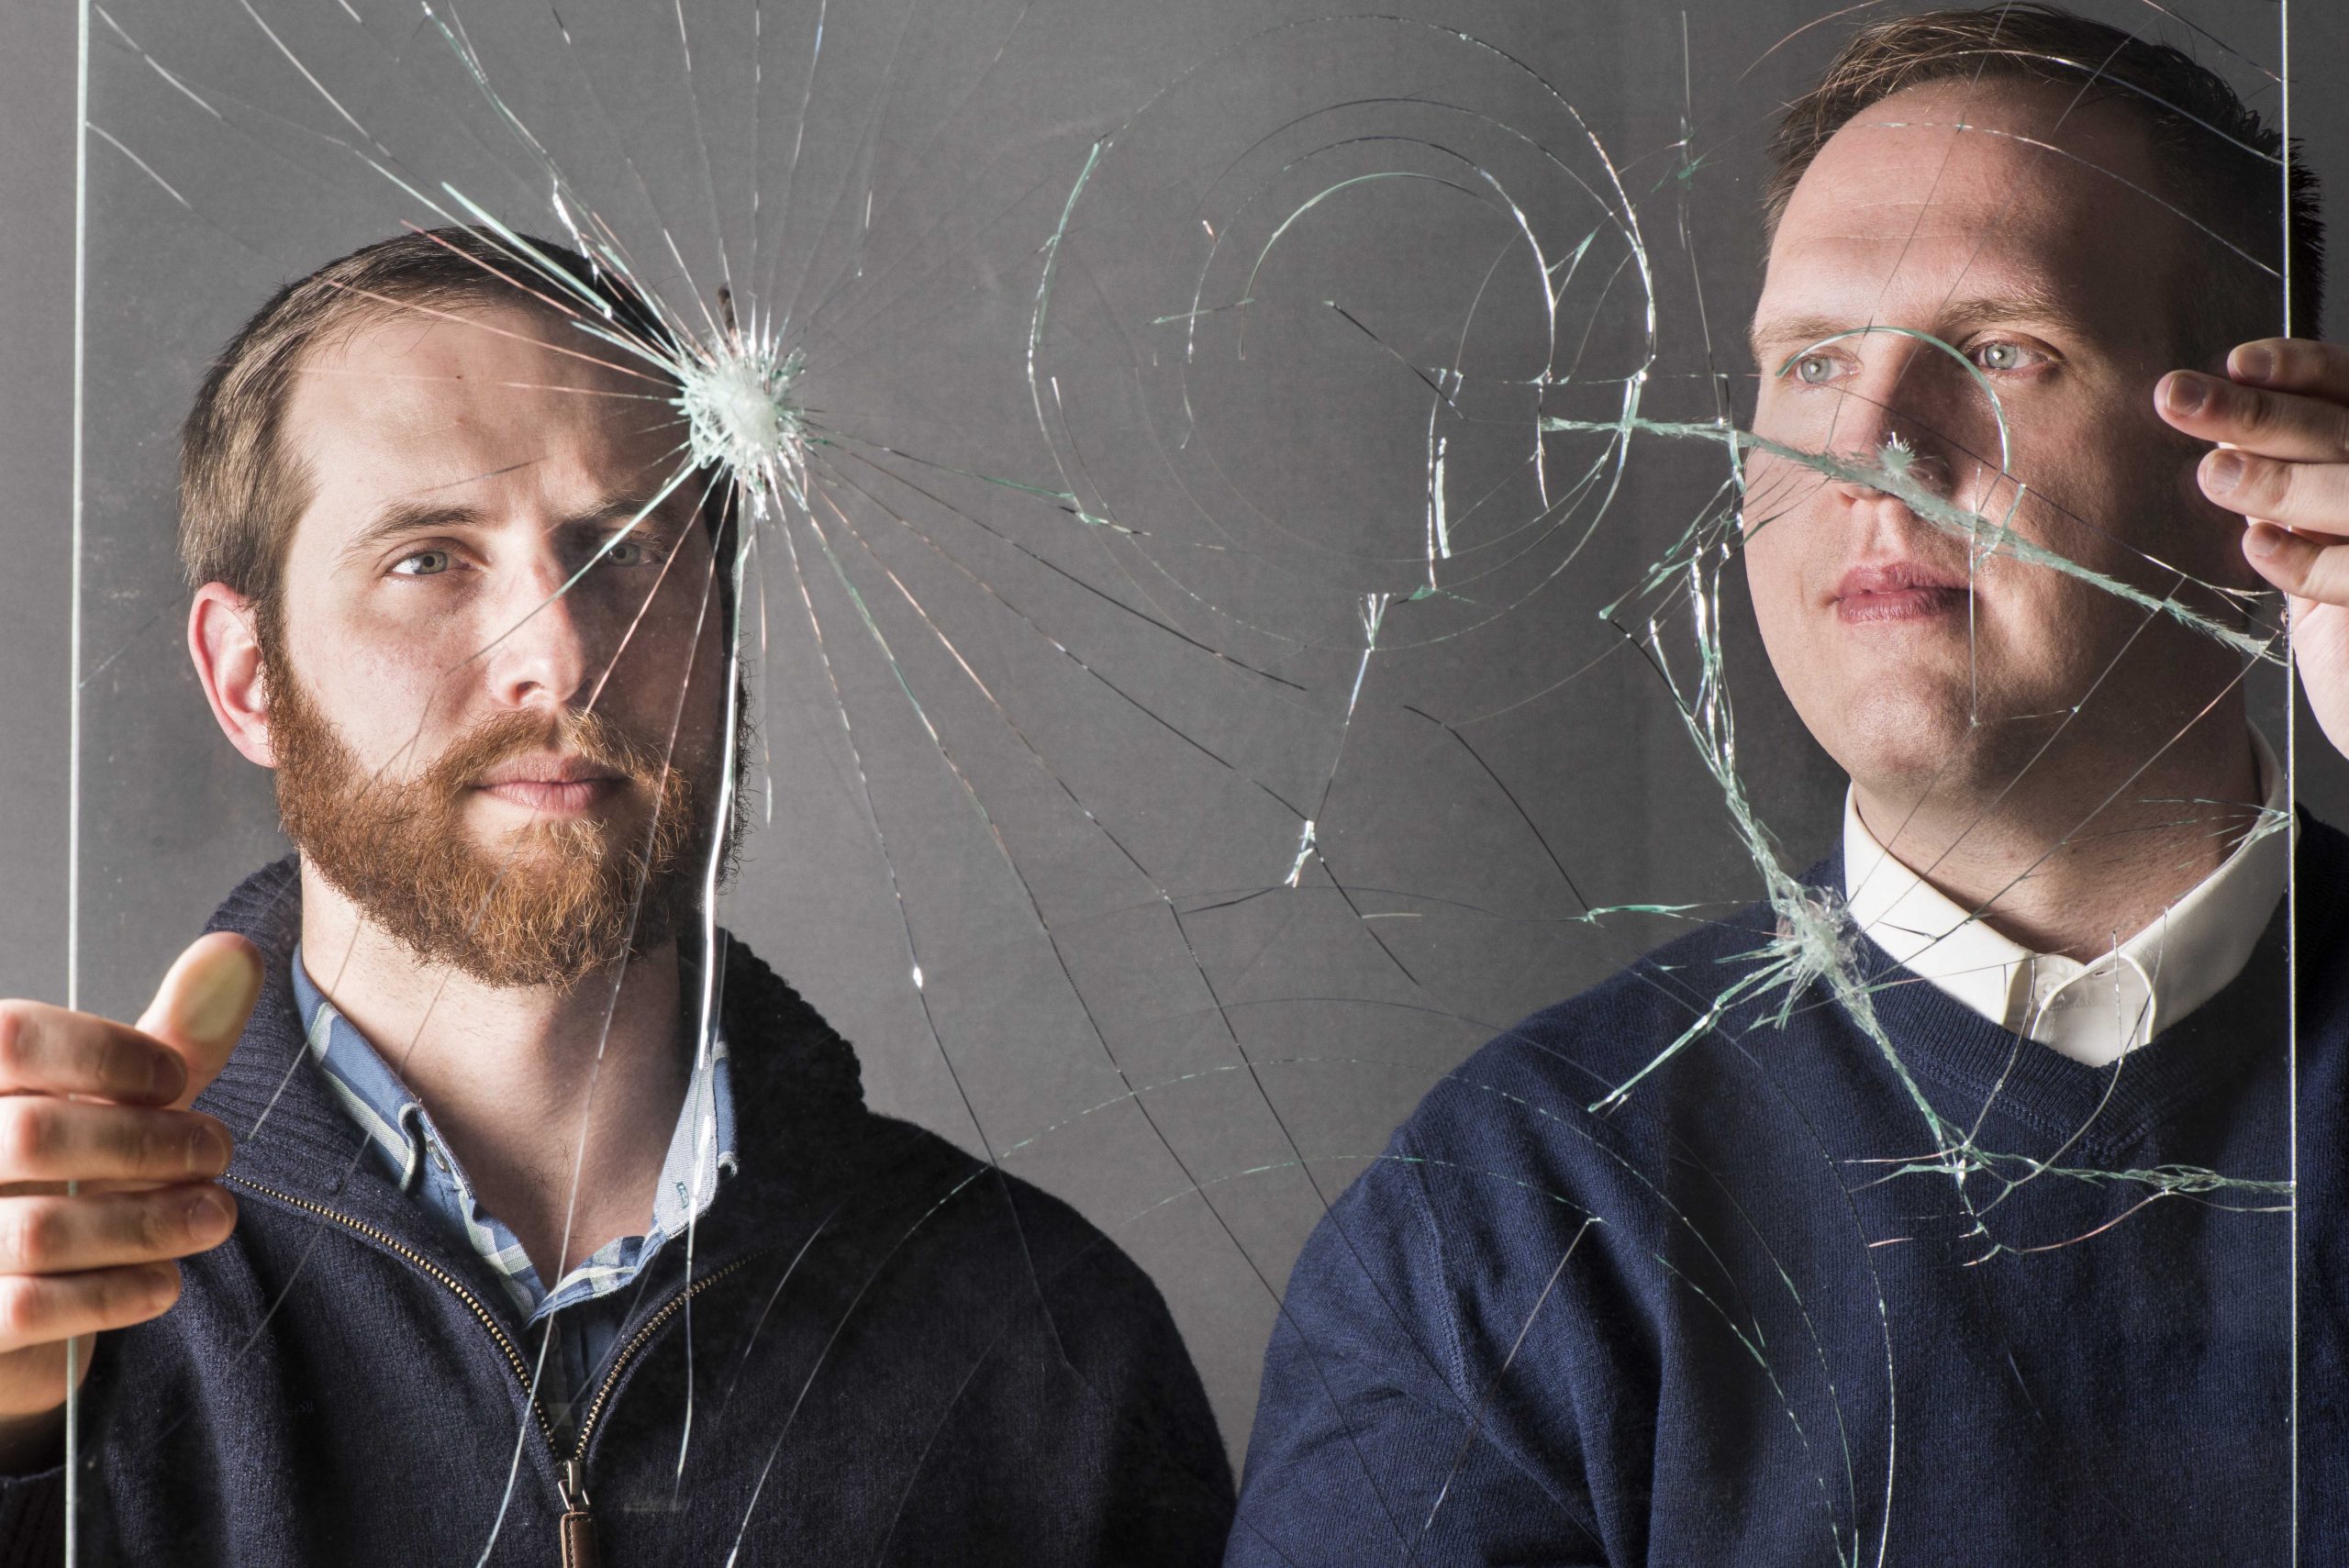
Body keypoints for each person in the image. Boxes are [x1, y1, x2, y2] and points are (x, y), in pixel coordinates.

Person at [1228, 6, 2345, 1563]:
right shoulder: (1517, 1218)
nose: (1871, 445)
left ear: (2264, 460)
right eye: (1811, 363)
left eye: (2003, 350)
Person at [0, 229, 1235, 1563]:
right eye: (430, 559)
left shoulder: (1049, 1351)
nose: (561, 650)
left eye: (627, 547)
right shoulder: (59, 1312)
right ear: (247, 677)